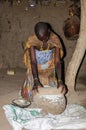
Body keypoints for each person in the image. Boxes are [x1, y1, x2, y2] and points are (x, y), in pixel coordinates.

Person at [21, 22, 67, 100]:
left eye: (45, 38)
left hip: (49, 68)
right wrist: (36, 80)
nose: (43, 41)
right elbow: (33, 61)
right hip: (35, 68)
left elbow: (57, 62)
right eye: (40, 39)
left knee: (55, 93)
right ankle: (33, 80)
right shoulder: (32, 40)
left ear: (49, 31)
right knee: (28, 95)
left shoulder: (55, 39)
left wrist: (60, 80)